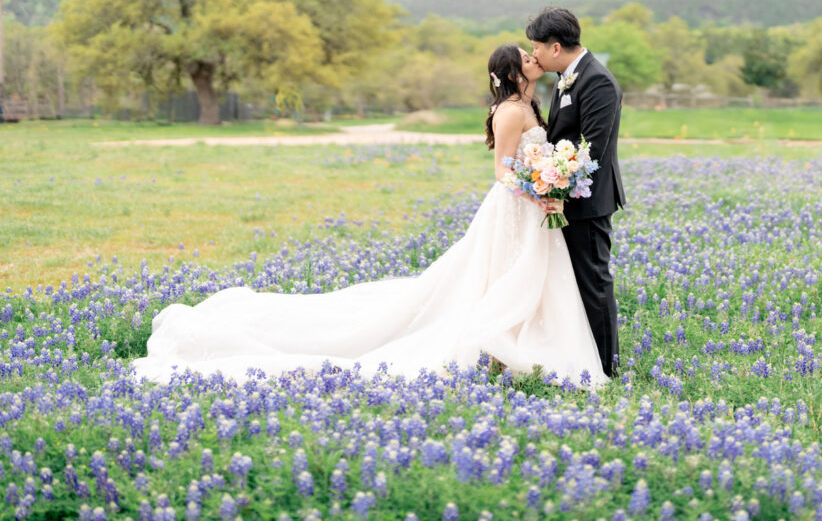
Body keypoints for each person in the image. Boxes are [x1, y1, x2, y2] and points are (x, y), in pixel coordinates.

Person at [131, 44, 608, 388]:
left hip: (533, 208)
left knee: (525, 280)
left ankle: (521, 348)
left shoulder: (529, 104)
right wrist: (538, 188)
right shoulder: (509, 110)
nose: (534, 58)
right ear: (512, 70)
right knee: (500, 278)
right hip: (514, 208)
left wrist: (550, 182)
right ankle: (501, 352)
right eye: (526, 56)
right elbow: (502, 171)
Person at [527, 7, 625, 379]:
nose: (533, 54)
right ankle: (576, 356)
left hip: (586, 199)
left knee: (593, 280)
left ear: (554, 47)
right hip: (566, 195)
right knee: (571, 282)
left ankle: (605, 366)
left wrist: (560, 191)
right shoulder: (568, 77)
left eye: (535, 47)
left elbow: (593, 149)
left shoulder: (596, 80)